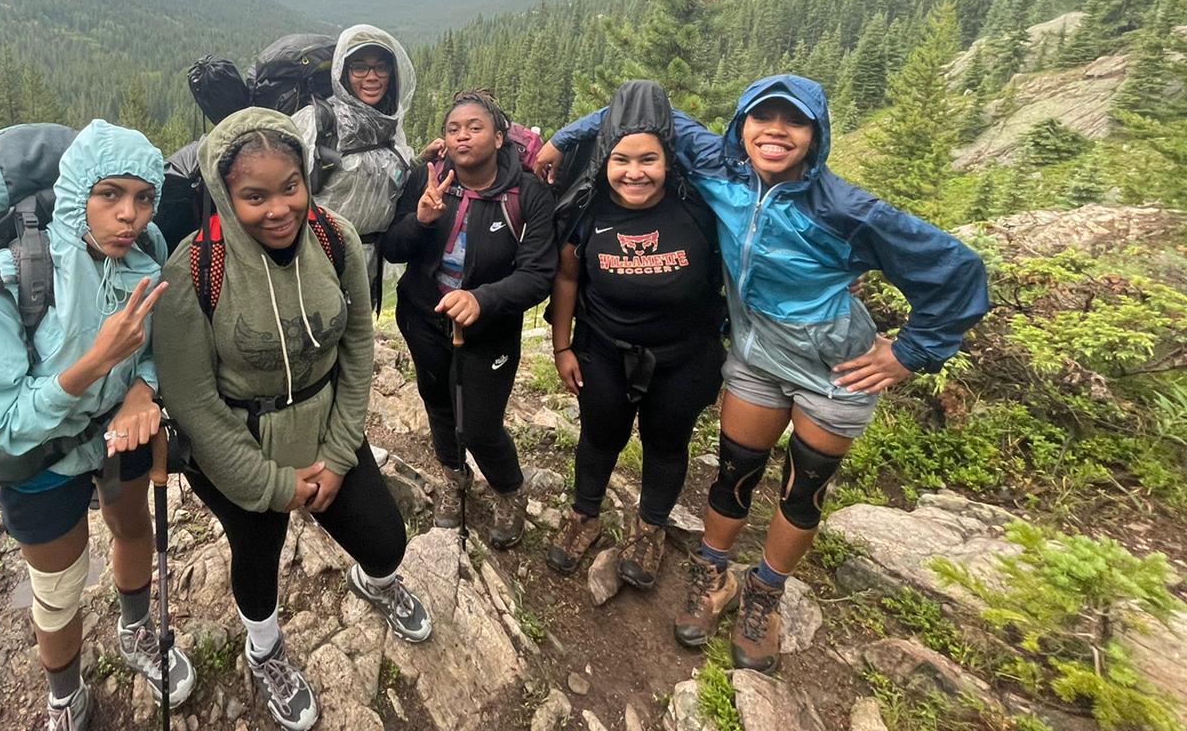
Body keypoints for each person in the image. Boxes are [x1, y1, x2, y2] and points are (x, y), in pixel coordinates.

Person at [537, 75, 988, 673]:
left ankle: (766, 594)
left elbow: (956, 270)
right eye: (762, 119)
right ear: (741, 126)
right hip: (754, 353)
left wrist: (910, 353)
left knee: (804, 489)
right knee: (735, 473)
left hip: (834, 366)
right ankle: (713, 576)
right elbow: (643, 111)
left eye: (793, 123)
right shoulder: (720, 168)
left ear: (816, 135)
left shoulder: (844, 209)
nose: (775, 132)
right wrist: (561, 141)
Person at [153, 108, 431, 731]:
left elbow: (359, 346)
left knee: (387, 543)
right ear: (226, 196)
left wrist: (336, 456)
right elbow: (193, 402)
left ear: (307, 179)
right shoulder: (195, 268)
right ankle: (265, 649)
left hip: (325, 424)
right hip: (241, 444)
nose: (278, 209)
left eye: (290, 187)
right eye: (254, 196)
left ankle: (377, 583)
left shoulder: (333, 237)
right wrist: (273, 487)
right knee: (258, 554)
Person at [0, 119, 195, 731]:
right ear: (75, 194)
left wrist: (144, 388)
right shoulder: (4, 281)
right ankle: (64, 693)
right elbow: (4, 423)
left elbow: (150, 343)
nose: (130, 216)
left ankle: (135, 631)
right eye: (109, 194)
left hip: (122, 436)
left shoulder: (147, 253)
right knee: (58, 584)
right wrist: (94, 365)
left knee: (132, 529)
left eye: (143, 199)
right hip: (41, 463)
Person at [543, 81, 726, 587]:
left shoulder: (701, 208)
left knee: (667, 441)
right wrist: (562, 346)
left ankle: (650, 528)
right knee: (600, 434)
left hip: (685, 354)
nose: (634, 172)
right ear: (604, 159)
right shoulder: (588, 208)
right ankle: (585, 515)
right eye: (622, 159)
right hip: (603, 348)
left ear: (668, 160)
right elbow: (567, 276)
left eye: (649, 159)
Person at [381, 90, 558, 549]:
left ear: (500, 137)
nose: (463, 136)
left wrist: (483, 299)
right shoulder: (430, 178)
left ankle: (509, 490)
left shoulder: (527, 194)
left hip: (489, 329)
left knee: (479, 423)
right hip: (423, 317)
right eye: (454, 129)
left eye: (475, 127)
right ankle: (452, 477)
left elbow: (538, 274)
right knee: (437, 401)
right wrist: (419, 220)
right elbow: (393, 249)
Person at [291, 24, 418, 308]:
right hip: (317, 258)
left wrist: (420, 162)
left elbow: (386, 178)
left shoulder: (387, 125)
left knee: (357, 341)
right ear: (344, 73)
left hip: (368, 262)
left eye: (380, 68)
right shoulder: (318, 122)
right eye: (360, 67)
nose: (371, 77)